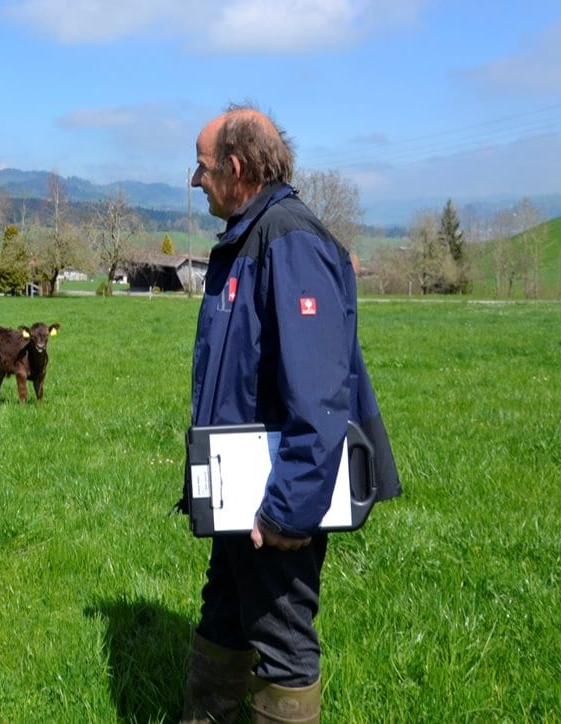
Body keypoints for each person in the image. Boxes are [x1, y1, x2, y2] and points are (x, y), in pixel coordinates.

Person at [179, 104, 401, 723]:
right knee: (225, 611)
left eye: (201, 170)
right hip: (239, 490)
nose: (198, 184)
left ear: (236, 165)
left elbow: (318, 392)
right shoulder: (250, 235)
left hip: (274, 492)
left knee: (283, 641)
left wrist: (289, 507)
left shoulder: (290, 240)